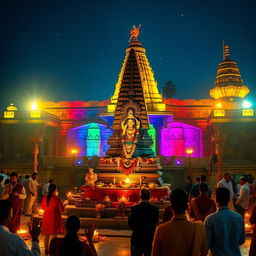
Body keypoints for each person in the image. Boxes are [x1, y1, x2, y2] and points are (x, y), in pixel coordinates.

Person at [152, 189, 208, 256]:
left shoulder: (161, 230)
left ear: (170, 207)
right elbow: (204, 253)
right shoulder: (199, 228)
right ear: (187, 207)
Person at [205, 187, 245, 256]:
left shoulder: (210, 219)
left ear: (216, 199)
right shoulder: (239, 217)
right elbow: (241, 240)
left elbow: (206, 244)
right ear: (229, 199)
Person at [128, 189, 159, 256]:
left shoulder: (134, 209)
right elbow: (155, 221)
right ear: (149, 197)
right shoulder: (155, 209)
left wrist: (137, 229)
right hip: (149, 238)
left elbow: (130, 223)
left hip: (137, 237)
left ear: (140, 197)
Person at [41, 183, 64, 255]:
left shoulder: (45, 197)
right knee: (53, 234)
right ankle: (52, 250)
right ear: (55, 190)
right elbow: (62, 209)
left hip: (46, 217)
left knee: (46, 234)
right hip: (54, 217)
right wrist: (64, 204)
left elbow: (42, 208)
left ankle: (46, 249)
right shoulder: (57, 198)